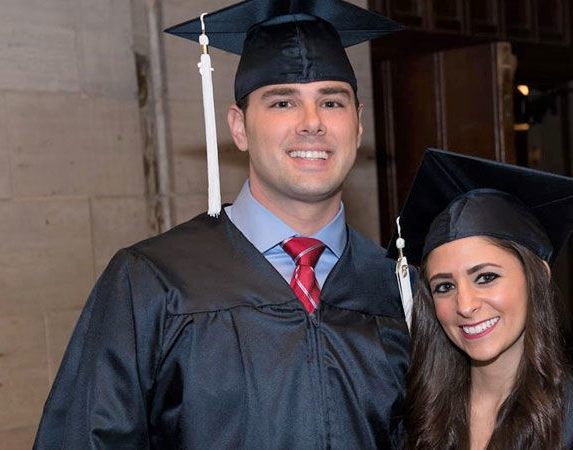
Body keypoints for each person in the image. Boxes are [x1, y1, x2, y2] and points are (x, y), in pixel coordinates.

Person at [34, 1, 409, 448]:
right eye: (283, 102)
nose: (312, 123)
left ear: (359, 124)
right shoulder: (154, 282)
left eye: (331, 101)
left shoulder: (398, 288)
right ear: (239, 127)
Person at [390, 149, 573, 450]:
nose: (465, 304)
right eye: (444, 286)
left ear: (538, 274)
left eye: (486, 277)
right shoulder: (420, 415)